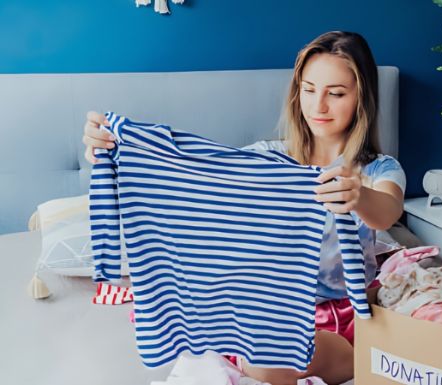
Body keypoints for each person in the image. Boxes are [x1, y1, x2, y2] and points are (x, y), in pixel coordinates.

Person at [82, 31, 405, 385]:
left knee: (275, 357)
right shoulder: (266, 158)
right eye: (309, 90)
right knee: (266, 356)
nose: (318, 106)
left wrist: (357, 196)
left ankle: (357, 361)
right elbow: (197, 179)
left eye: (336, 93)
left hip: (342, 313)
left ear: (362, 98)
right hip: (267, 311)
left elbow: (388, 211)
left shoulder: (378, 169)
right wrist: (119, 152)